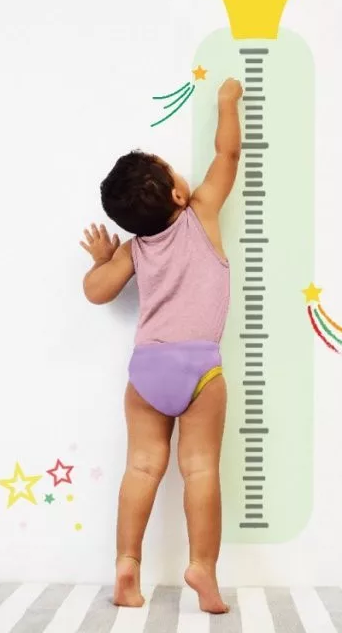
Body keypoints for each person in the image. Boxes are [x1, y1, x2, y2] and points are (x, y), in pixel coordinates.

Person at [78, 77, 243, 613]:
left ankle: (127, 566)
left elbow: (96, 292)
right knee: (200, 469)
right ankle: (203, 568)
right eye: (173, 170)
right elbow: (228, 153)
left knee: (142, 469)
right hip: (199, 369)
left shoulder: (135, 248)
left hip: (147, 370)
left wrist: (104, 260)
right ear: (177, 194)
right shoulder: (203, 213)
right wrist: (227, 102)